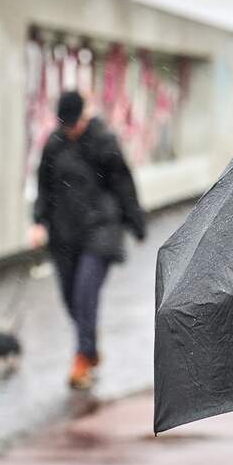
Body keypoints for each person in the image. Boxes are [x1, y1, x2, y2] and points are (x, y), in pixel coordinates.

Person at [30, 90, 146, 389]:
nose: (70, 130)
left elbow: (123, 181)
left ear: (84, 116)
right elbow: (44, 185)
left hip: (100, 229)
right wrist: (38, 221)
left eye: (74, 123)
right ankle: (90, 343)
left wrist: (135, 220)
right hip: (64, 232)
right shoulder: (54, 145)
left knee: (85, 292)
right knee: (70, 297)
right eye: (65, 125)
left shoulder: (103, 140)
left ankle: (82, 360)